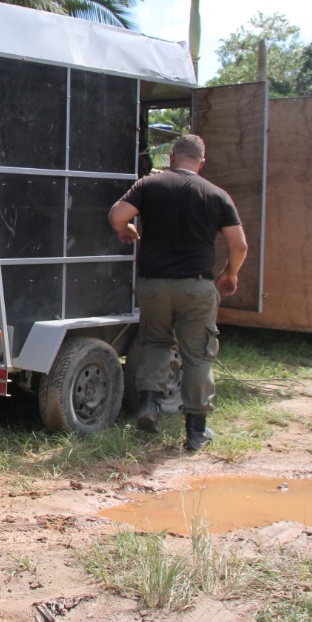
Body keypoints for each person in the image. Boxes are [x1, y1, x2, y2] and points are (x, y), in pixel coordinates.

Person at [108, 134, 247, 451]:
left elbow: (117, 215)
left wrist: (126, 229)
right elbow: (239, 244)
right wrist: (230, 273)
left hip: (154, 285)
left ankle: (149, 405)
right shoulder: (216, 194)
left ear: (172, 157)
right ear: (202, 161)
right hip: (196, 286)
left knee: (156, 341)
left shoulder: (149, 185)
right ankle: (196, 433)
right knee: (197, 356)